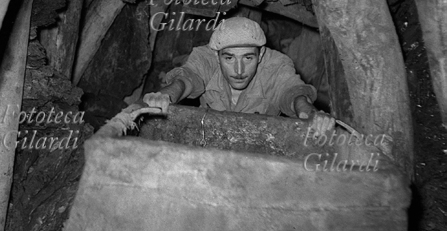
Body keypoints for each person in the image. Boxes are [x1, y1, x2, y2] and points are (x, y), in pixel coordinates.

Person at [143, 16, 334, 137]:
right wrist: (165, 96)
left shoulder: (275, 64)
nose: (239, 69)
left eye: (248, 58)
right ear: (217, 57)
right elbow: (187, 79)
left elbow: (293, 92)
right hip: (208, 142)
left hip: (258, 150)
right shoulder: (206, 56)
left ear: (260, 56)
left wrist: (309, 113)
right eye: (229, 58)